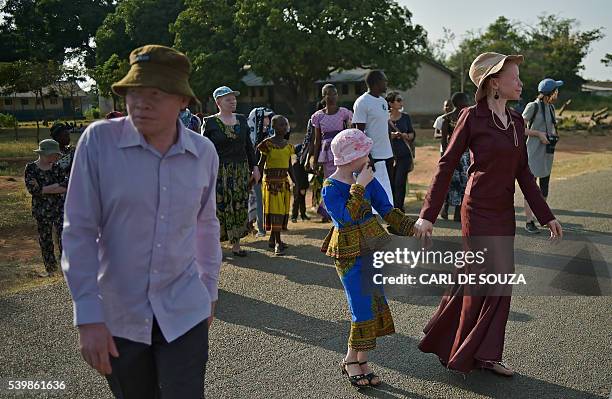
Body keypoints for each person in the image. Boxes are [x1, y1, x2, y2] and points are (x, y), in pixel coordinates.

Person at [62, 45, 221, 398]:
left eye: (155, 93)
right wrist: (87, 316)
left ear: (183, 100)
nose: (141, 103)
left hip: (184, 310)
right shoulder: (99, 142)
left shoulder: (202, 153)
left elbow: (206, 224)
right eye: (134, 92)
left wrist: (209, 289)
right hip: (119, 315)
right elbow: (79, 231)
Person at [414, 52, 563, 376]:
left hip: (503, 211)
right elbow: (446, 164)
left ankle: (481, 351)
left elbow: (524, 173)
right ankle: (468, 351)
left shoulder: (517, 121)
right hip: (477, 210)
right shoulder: (472, 117)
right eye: (515, 77)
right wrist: (428, 214)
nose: (520, 83)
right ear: (495, 82)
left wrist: (545, 215)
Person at [321, 128, 415, 388]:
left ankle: (361, 361)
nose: (369, 157)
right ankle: (351, 360)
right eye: (365, 152)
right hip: (348, 254)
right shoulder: (330, 187)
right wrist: (359, 186)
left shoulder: (369, 180)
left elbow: (386, 209)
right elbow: (345, 218)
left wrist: (413, 229)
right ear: (352, 158)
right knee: (360, 306)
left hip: (372, 249)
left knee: (374, 303)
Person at [202, 86, 260, 257]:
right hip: (219, 171)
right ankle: (215, 244)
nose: (233, 101)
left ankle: (236, 244)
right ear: (218, 102)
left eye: (234, 98)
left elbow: (249, 146)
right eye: (228, 99)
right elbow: (204, 150)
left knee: (239, 204)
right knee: (219, 207)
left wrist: (254, 167)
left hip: (240, 170)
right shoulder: (210, 123)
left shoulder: (242, 120)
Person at [522, 78, 563, 234]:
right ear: (550, 93)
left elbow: (550, 128)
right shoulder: (532, 106)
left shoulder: (551, 107)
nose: (557, 93)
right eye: (556, 90)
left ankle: (542, 216)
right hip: (532, 154)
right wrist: (538, 134)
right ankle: (529, 221)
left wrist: (552, 136)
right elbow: (520, 128)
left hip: (547, 154)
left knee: (544, 189)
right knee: (531, 188)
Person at [310, 84, 353, 221]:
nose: (332, 96)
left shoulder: (344, 113)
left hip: (342, 151)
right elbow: (317, 140)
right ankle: (327, 210)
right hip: (327, 153)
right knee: (330, 181)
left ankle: (342, 209)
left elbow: (351, 130)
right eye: (329, 94)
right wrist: (315, 160)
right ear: (324, 96)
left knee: (344, 179)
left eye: (334, 93)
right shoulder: (318, 116)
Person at [24, 139, 66, 277]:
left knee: (63, 239)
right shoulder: (31, 168)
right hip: (42, 211)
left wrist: (42, 188)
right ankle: (51, 270)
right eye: (55, 154)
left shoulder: (57, 167)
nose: (57, 157)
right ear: (45, 154)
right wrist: (54, 187)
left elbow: (64, 187)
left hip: (59, 209)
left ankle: (65, 268)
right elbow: (33, 190)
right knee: (46, 240)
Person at [352, 70, 394, 208]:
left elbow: (386, 127)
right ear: (376, 82)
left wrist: (391, 150)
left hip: (387, 154)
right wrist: (367, 155)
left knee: (387, 190)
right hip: (373, 155)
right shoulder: (362, 102)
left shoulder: (383, 101)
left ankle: (390, 221)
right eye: (384, 81)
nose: (386, 84)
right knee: (371, 192)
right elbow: (359, 132)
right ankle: (370, 223)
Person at [257, 115, 294, 255]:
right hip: (271, 185)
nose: (284, 127)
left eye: (285, 125)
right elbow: (261, 163)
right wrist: (255, 178)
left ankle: (273, 239)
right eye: (280, 125)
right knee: (275, 213)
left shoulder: (288, 146)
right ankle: (278, 243)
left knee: (281, 211)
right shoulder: (267, 144)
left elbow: (289, 165)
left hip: (284, 183)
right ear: (273, 127)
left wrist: (294, 181)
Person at [439, 92, 471, 221]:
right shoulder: (464, 117)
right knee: (461, 184)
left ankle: (448, 210)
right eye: (466, 100)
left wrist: (445, 155)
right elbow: (443, 139)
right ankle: (454, 212)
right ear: (460, 103)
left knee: (451, 183)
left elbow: (444, 141)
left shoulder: (448, 118)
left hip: (454, 155)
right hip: (460, 156)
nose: (468, 103)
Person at [247, 107, 275, 237]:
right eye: (265, 117)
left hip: (271, 174)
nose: (268, 119)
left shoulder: (272, 135)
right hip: (256, 174)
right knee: (257, 201)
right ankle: (260, 228)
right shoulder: (249, 137)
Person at [386, 91, 415, 212]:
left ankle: (399, 208)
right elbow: (381, 135)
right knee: (391, 183)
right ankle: (392, 208)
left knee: (399, 182)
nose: (401, 102)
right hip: (389, 155)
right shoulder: (384, 118)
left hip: (404, 155)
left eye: (401, 100)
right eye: (398, 100)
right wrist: (391, 135)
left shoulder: (406, 117)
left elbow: (412, 133)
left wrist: (405, 135)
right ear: (391, 103)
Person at [291, 143, 310, 223]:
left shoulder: (303, 164)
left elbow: (306, 174)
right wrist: (301, 187)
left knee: (302, 201)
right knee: (297, 201)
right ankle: (294, 216)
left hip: (302, 186)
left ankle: (303, 215)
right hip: (298, 186)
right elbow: (298, 178)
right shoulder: (297, 165)